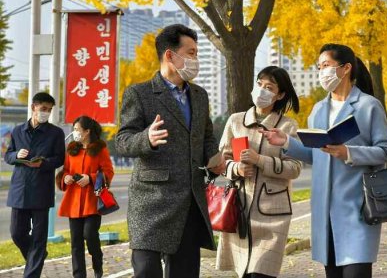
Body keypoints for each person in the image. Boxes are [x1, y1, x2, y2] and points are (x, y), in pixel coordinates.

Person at [262, 44, 387, 278]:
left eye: (326, 66)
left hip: (358, 209)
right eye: (319, 67)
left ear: (345, 69)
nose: (322, 71)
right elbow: (316, 154)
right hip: (324, 214)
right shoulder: (318, 110)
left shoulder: (368, 106)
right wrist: (286, 142)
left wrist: (349, 153)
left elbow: (386, 152)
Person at [115, 24, 225, 278]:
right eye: (191, 52)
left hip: (190, 201)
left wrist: (213, 157)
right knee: (146, 271)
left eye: (197, 53)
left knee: (184, 273)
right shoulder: (139, 93)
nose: (195, 60)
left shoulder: (199, 96)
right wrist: (147, 139)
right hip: (151, 201)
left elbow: (206, 136)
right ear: (169, 55)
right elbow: (123, 140)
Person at [216, 66, 303, 278]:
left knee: (261, 273)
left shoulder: (288, 126)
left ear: (280, 94)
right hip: (240, 210)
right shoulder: (236, 121)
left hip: (273, 214)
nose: (261, 90)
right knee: (244, 272)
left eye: (269, 87)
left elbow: (295, 168)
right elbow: (220, 161)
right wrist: (236, 168)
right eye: (259, 84)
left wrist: (259, 160)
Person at [4, 92, 65, 278]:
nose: (46, 112)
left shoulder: (56, 133)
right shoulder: (17, 131)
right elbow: (8, 155)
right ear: (33, 107)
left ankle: (31, 273)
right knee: (17, 234)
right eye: (43, 109)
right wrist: (16, 156)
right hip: (19, 190)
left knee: (39, 239)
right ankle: (37, 255)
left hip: (41, 190)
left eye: (49, 109)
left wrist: (43, 163)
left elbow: (59, 159)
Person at [58, 116, 114, 278]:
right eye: (74, 129)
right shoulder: (71, 148)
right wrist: (65, 178)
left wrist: (90, 178)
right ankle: (79, 275)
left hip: (93, 201)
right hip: (73, 201)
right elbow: (65, 170)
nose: (74, 132)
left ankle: (98, 263)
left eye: (77, 129)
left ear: (87, 131)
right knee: (76, 243)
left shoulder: (100, 149)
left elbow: (108, 172)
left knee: (90, 235)